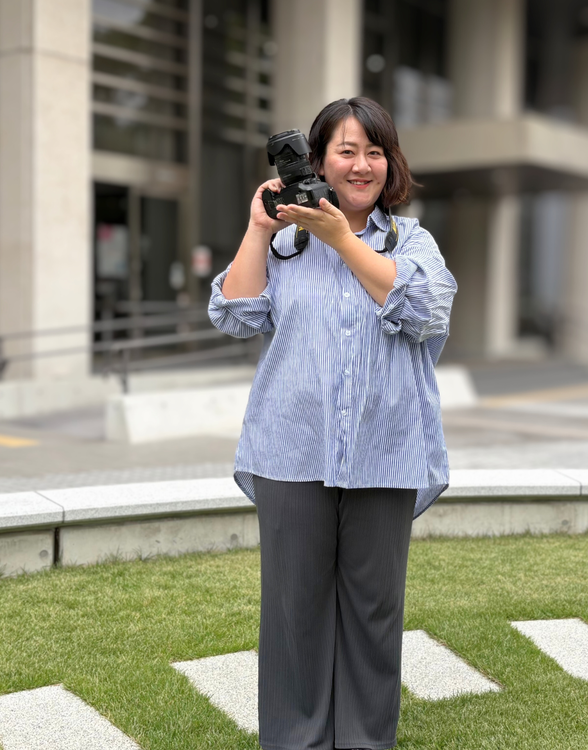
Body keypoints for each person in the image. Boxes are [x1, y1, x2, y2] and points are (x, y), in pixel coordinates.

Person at [208, 96, 457, 750]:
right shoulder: (285, 246)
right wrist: (257, 229)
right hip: (291, 451)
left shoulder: (412, 242)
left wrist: (343, 239)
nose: (361, 164)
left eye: (375, 151)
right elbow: (234, 314)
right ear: (317, 161)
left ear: (390, 163)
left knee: (374, 613)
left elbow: (426, 312)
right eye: (346, 151)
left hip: (385, 452)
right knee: (294, 613)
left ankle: (365, 741)